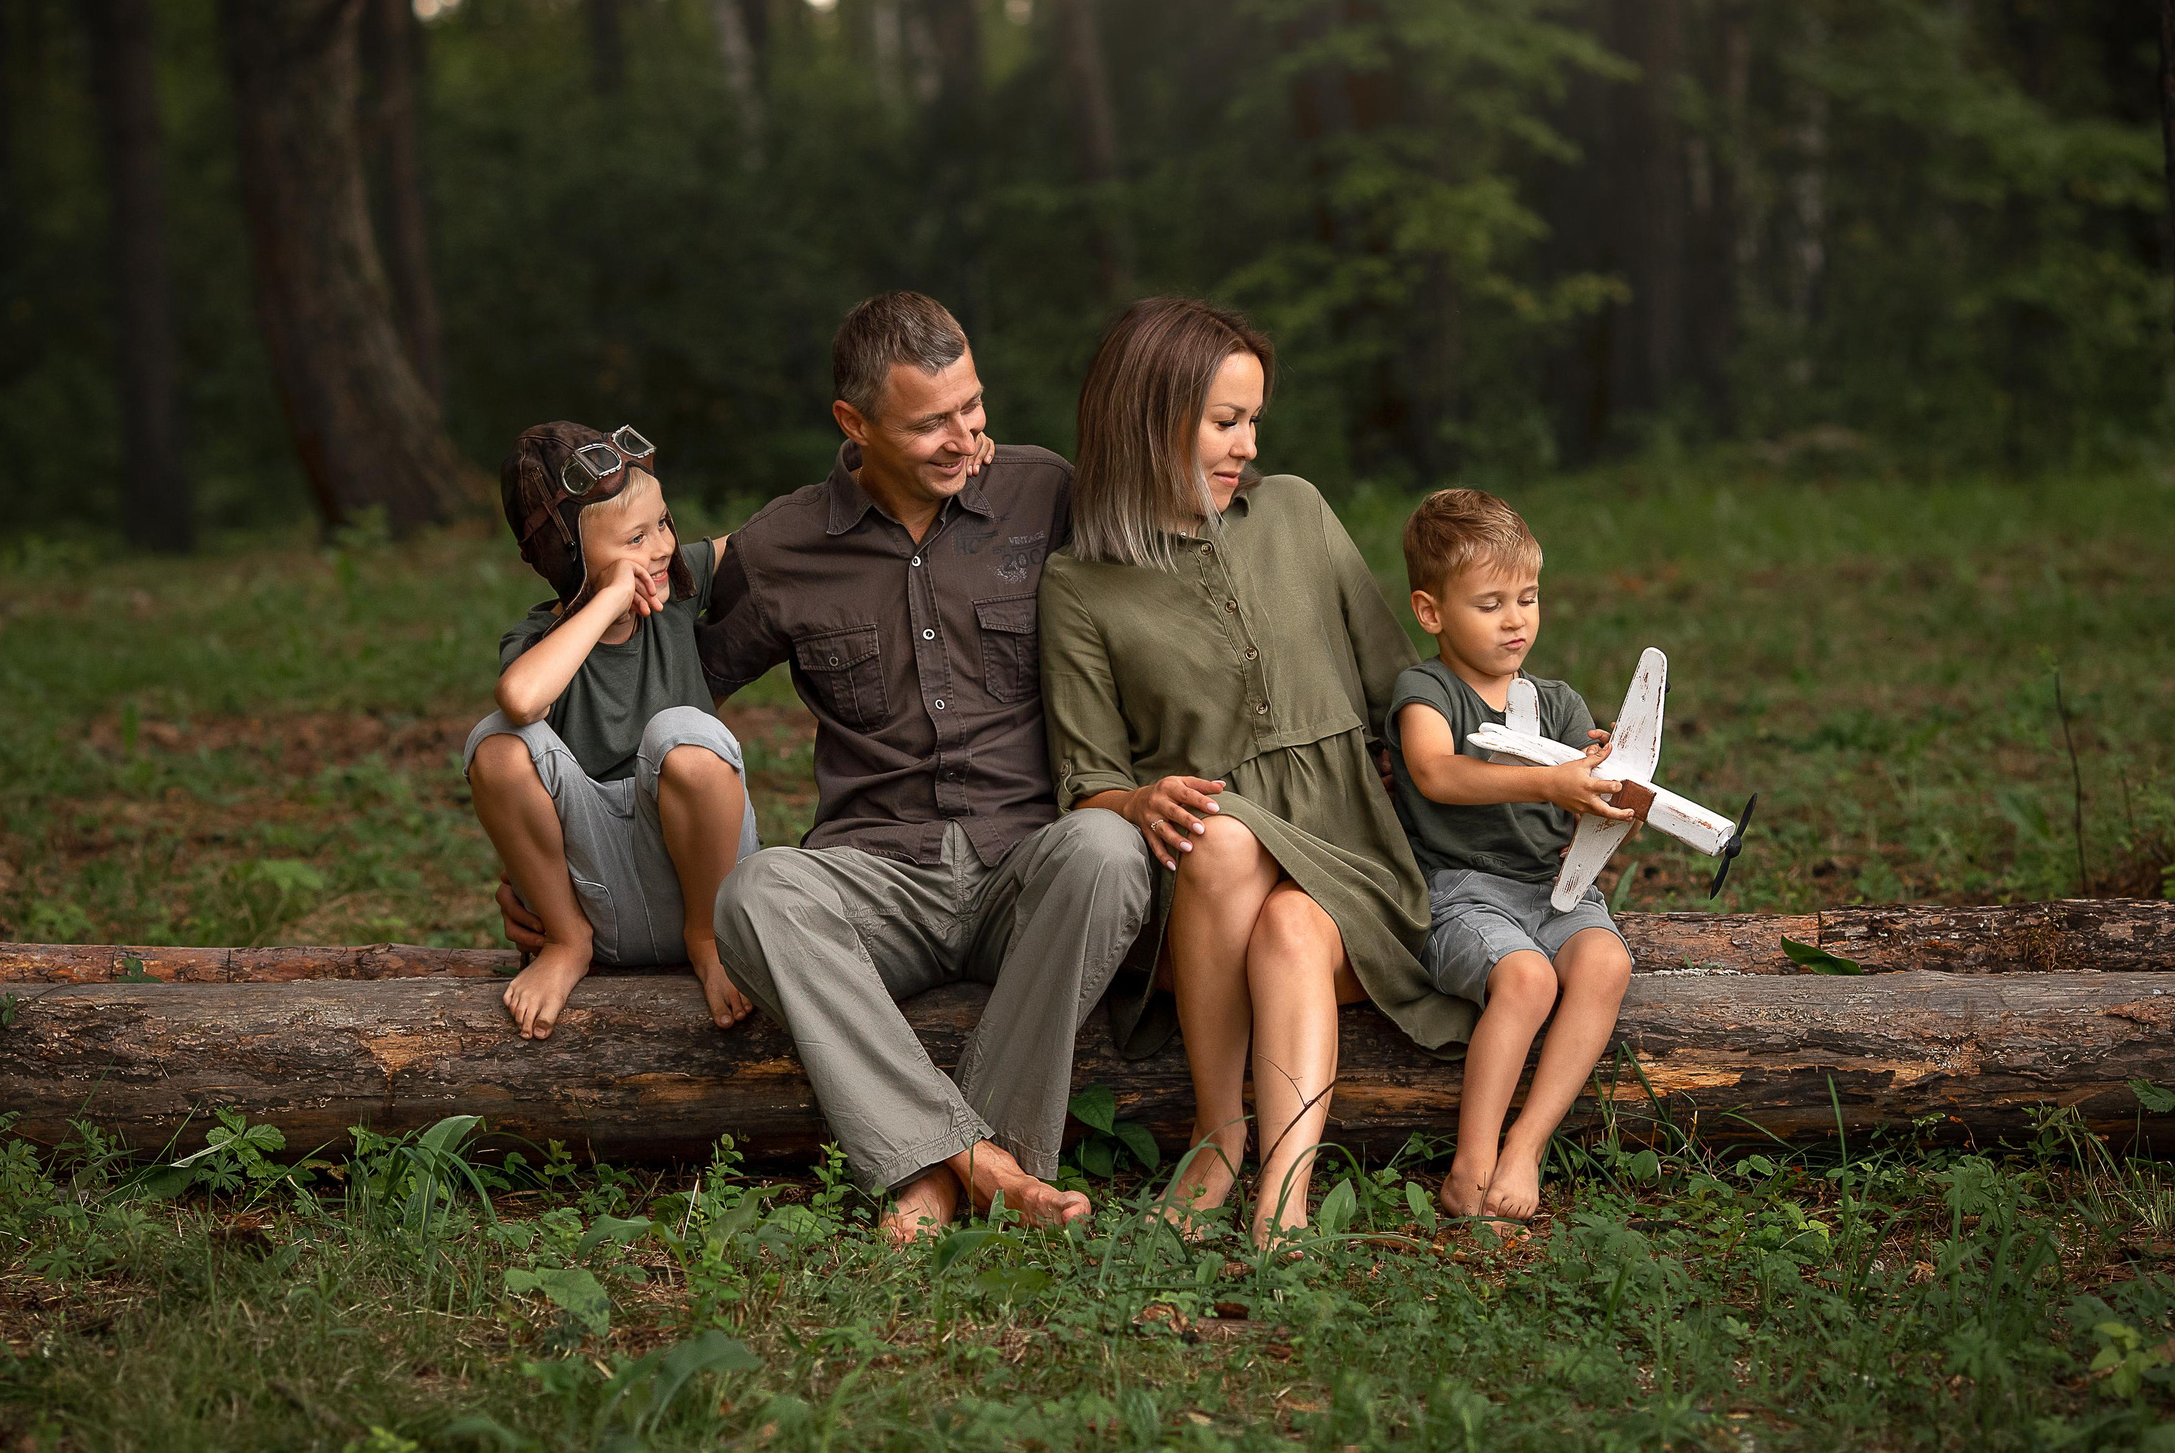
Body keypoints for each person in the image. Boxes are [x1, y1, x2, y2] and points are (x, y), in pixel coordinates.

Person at [694, 292, 1154, 1245]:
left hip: (1025, 867)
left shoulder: (1046, 493)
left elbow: (1157, 627)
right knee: (759, 893)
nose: (965, 436)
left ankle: (944, 1171)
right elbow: (668, 704)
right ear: (853, 425)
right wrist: (558, 874)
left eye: (973, 406)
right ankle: (989, 1166)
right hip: (877, 877)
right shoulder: (783, 546)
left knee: (1107, 848)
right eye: (930, 421)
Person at [1039, 297, 1472, 1247]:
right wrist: (1140, 798)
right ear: (1150, 422)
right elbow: (1089, 778)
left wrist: (1530, 750)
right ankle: (1218, 1132)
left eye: (1253, 422)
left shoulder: (1297, 512)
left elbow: (1405, 687)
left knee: (1290, 921)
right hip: (1205, 865)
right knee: (1227, 839)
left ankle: (1284, 1194)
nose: (1246, 446)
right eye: (1224, 422)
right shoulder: (1081, 584)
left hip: (1350, 840)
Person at [1386, 488, 1638, 1221]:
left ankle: (1526, 1145)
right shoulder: (1427, 691)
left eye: (1527, 597)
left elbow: (1593, 813)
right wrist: (1550, 779)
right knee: (1526, 980)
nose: (1516, 619)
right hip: (1462, 893)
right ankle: (1472, 1163)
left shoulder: (1559, 704)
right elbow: (1433, 771)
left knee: (1606, 964)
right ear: (1431, 612)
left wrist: (1618, 796)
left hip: (1556, 888)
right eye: (1490, 602)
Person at [467, 422, 764, 1042]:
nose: (661, 547)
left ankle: (711, 946)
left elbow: (782, 534)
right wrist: (605, 601)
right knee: (495, 744)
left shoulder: (679, 591)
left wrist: (871, 454)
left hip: (704, 891)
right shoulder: (535, 645)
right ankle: (568, 947)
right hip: (598, 900)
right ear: (571, 556)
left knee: (686, 733)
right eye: (636, 536)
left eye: (664, 522)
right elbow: (521, 700)